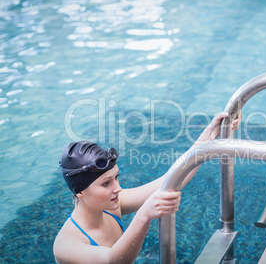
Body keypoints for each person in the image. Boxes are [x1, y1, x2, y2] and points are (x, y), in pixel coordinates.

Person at [53, 112, 241, 264]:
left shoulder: (111, 204)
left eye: (116, 178)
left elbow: (169, 180)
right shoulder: (67, 245)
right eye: (106, 183)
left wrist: (209, 135)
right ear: (80, 191)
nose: (118, 188)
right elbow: (112, 261)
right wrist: (144, 214)